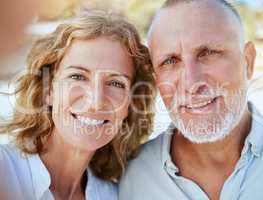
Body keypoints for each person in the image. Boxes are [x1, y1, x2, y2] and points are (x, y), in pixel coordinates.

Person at [119, 0, 263, 200]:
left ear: (247, 62)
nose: (192, 83)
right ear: (156, 78)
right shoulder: (129, 179)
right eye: (170, 61)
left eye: (208, 53)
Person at [0, 9, 155, 200]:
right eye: (78, 76)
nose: (95, 102)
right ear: (49, 91)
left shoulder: (115, 196)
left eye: (115, 83)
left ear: (130, 104)